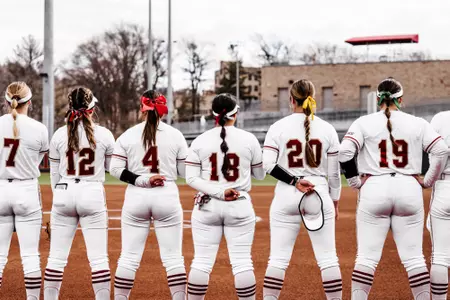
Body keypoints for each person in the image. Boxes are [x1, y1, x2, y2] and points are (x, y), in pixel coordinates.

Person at [339, 78, 448, 300]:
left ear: (378, 98)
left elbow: (344, 154)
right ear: (401, 99)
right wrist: (427, 181)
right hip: (408, 186)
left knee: (366, 259)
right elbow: (441, 150)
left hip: (374, 187)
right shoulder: (418, 123)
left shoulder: (363, 122)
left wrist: (354, 182)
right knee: (415, 259)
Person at [262, 79, 342, 300]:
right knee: (328, 259)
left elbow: (267, 165)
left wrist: (294, 180)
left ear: (291, 100)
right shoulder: (327, 128)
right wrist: (334, 201)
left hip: (287, 194)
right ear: (312, 98)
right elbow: (335, 175)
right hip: (319, 192)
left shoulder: (277, 127)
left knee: (277, 259)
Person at [110, 90, 188, 300]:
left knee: (128, 258)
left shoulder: (128, 135)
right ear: (162, 109)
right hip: (167, 194)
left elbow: (115, 169)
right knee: (173, 259)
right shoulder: (175, 135)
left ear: (141, 108)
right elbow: (184, 173)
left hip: (137, 194)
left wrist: (141, 180)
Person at [185, 93, 265, 300]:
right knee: (242, 262)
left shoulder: (199, 141)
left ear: (213, 114)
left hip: (207, 205)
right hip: (239, 204)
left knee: (201, 262)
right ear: (235, 113)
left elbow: (191, 179)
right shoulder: (249, 139)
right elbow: (260, 175)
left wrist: (218, 191)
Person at [44, 87, 115, 300]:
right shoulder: (104, 134)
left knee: (56, 259)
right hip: (92, 192)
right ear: (92, 109)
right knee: (99, 259)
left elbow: (54, 176)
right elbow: (113, 169)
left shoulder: (58, 134)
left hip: (64, 191)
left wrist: (58, 198)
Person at [0, 82, 49, 300]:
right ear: (29, 102)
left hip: (1, 188)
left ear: (6, 101)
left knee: (0, 256)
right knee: (30, 255)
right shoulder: (39, 128)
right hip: (27, 189)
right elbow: (39, 158)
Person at [427, 112, 450, 300]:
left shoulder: (440, 118)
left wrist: (428, 180)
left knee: (440, 256)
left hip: (445, 185)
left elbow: (433, 154)